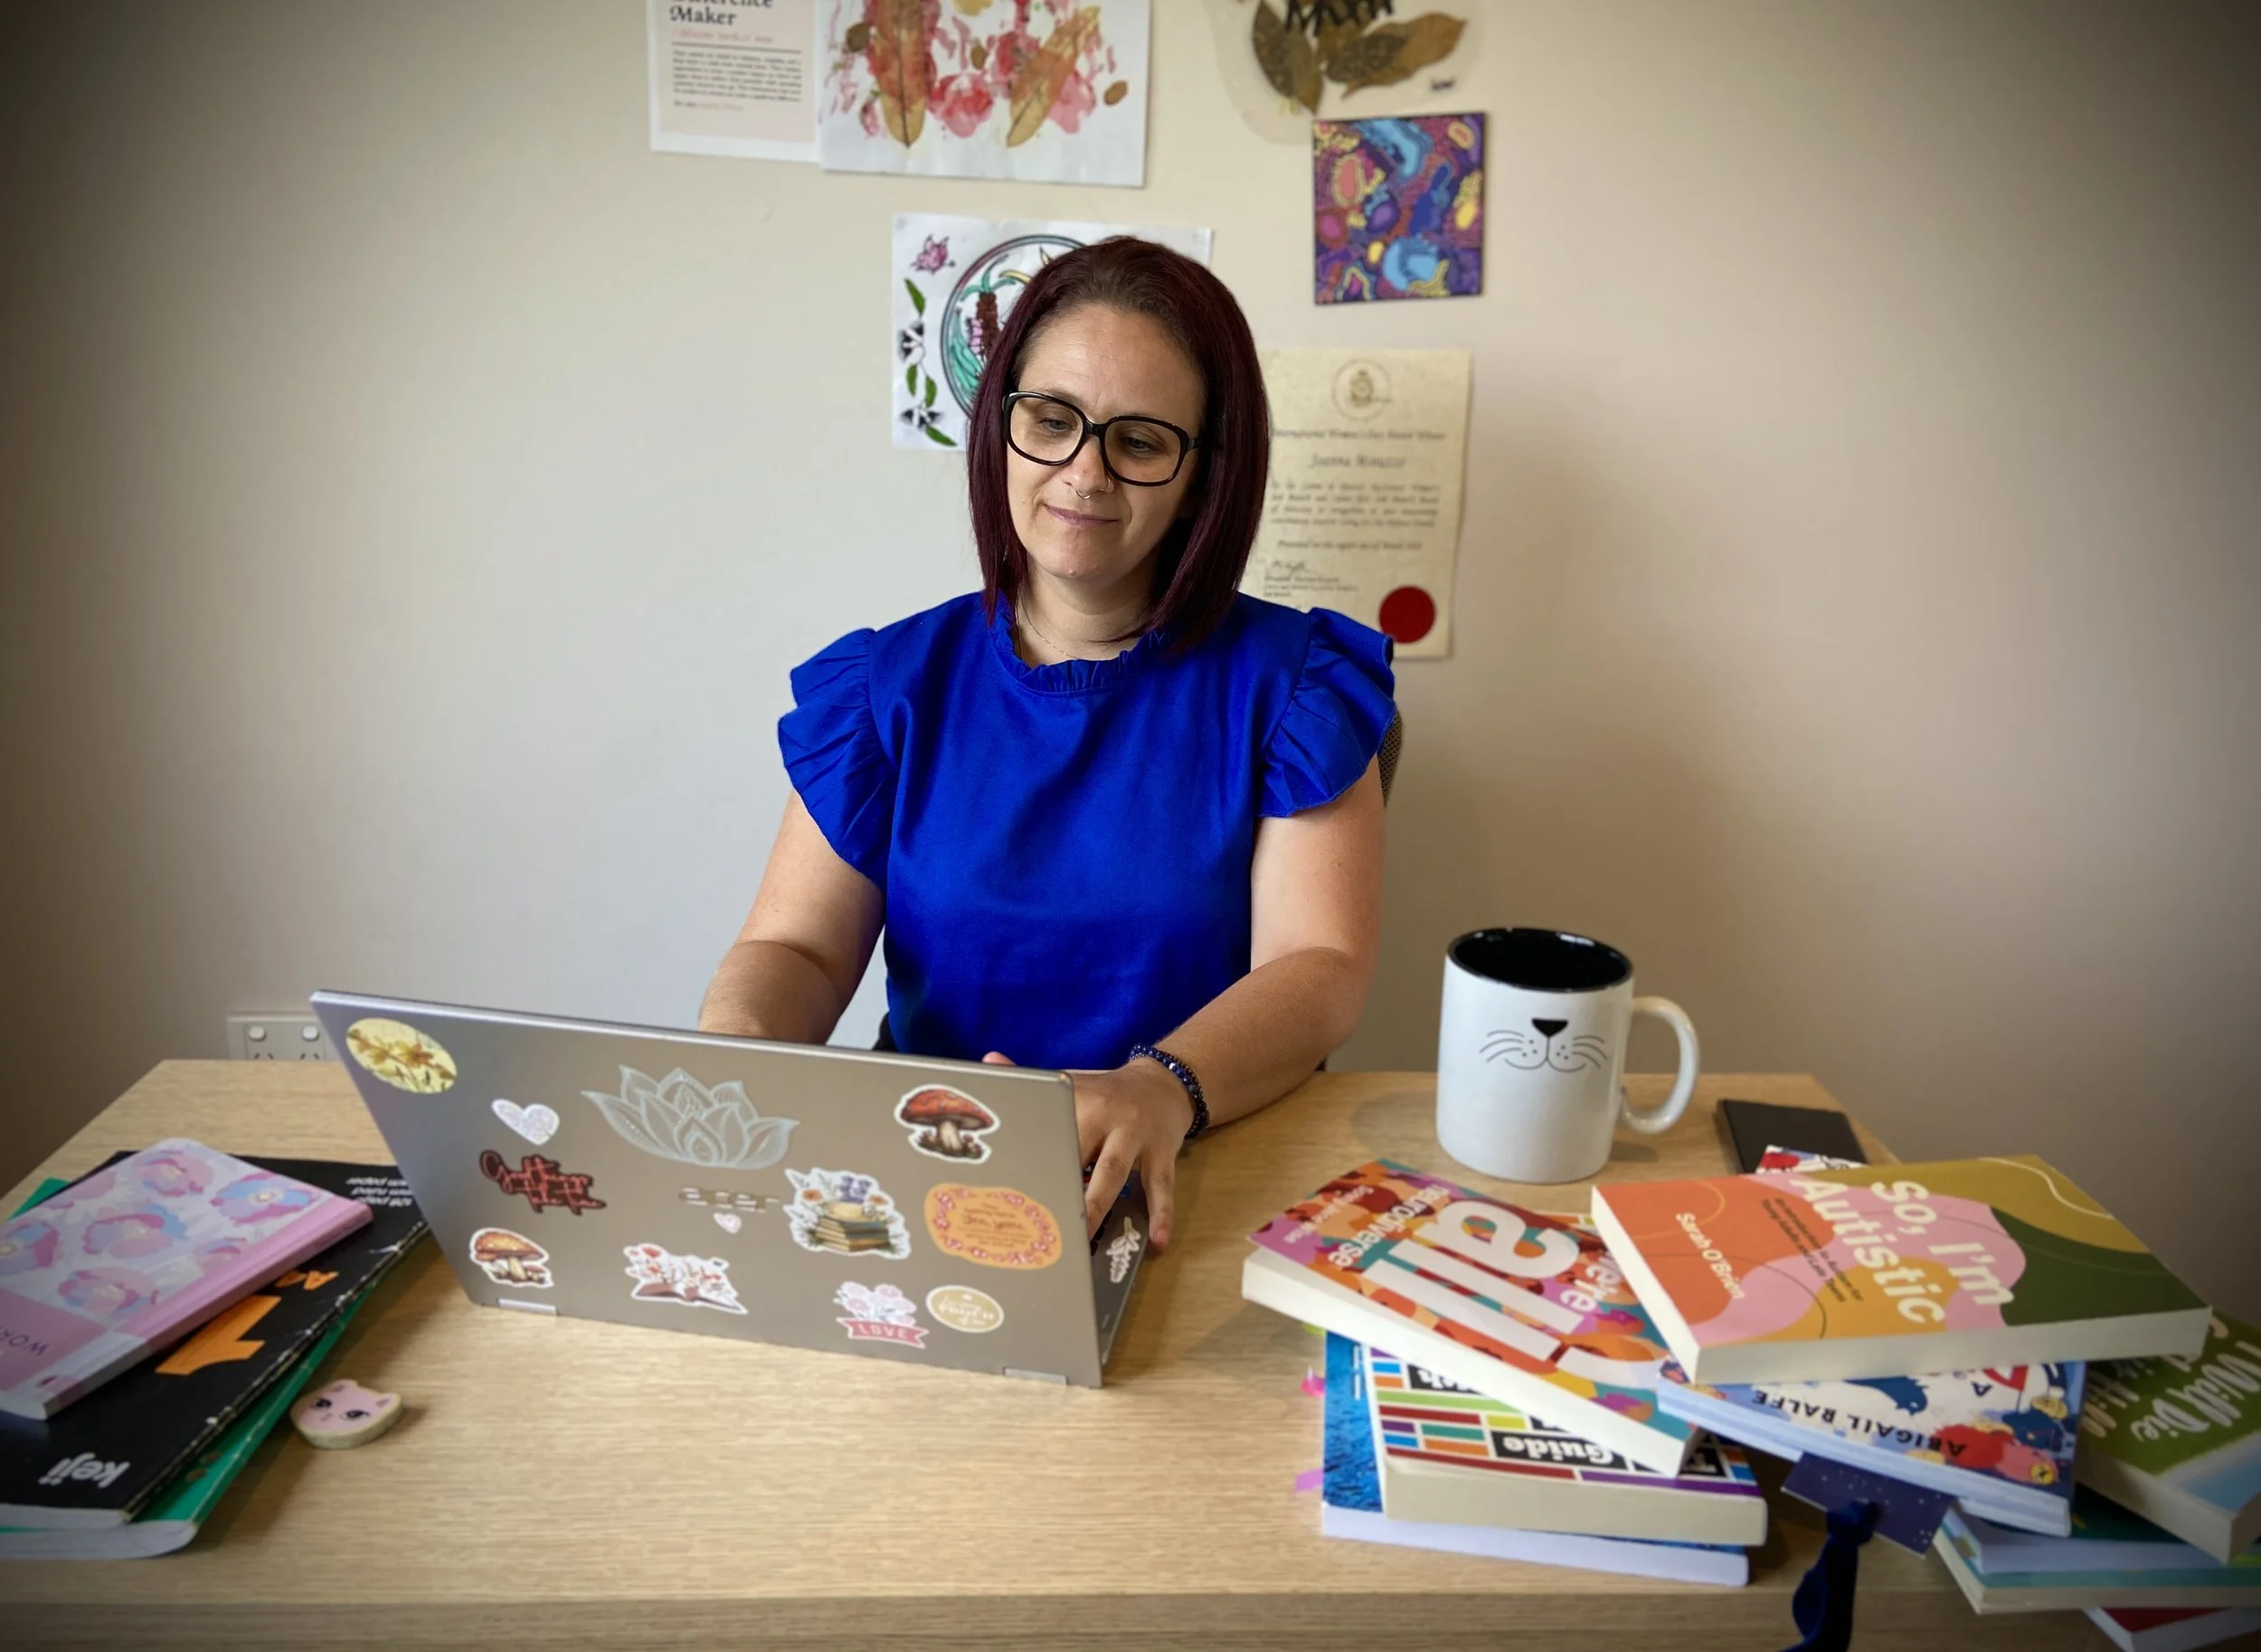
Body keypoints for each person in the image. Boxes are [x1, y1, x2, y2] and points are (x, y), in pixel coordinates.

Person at [699, 239, 1395, 1252]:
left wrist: (1159, 1087)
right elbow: (795, 947)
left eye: (1140, 441)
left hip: (1197, 1161)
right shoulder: (886, 686)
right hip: (930, 1165)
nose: (1084, 472)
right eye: (1052, 421)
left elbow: (1319, 965)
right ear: (1003, 427)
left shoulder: (1295, 686)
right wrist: (737, 1053)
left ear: (1203, 474)